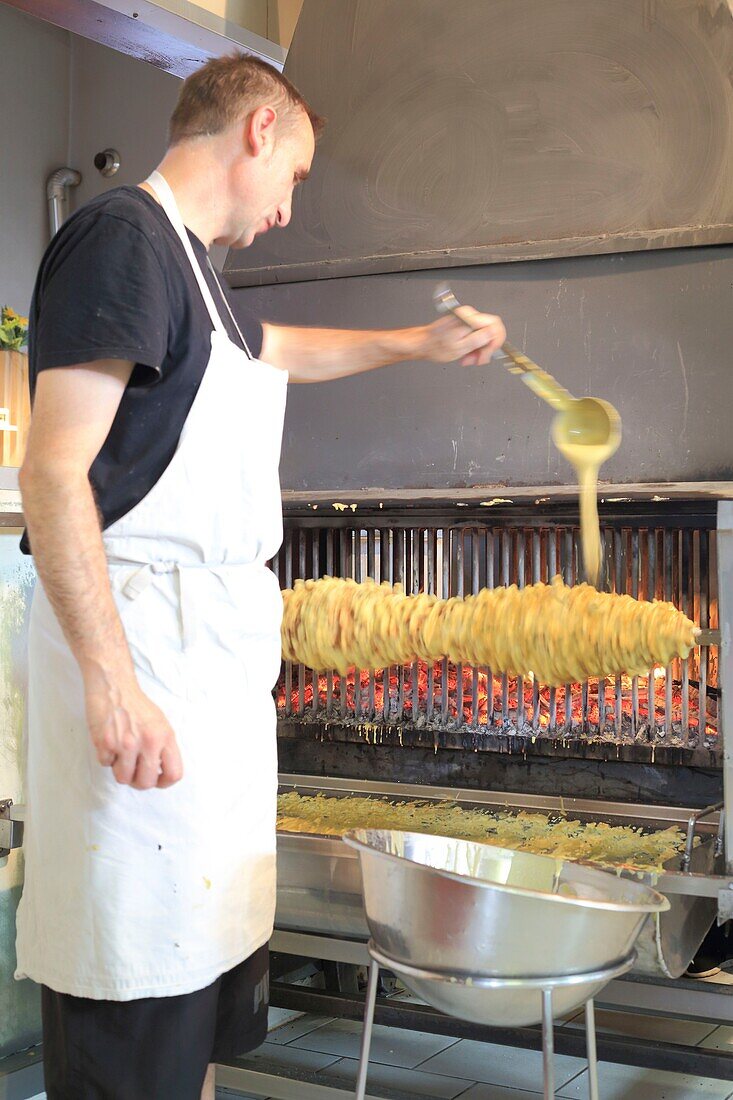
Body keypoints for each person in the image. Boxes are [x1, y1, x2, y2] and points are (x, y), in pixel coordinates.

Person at [16, 53, 507, 1100]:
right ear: (260, 128)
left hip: (204, 692)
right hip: (143, 666)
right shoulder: (122, 243)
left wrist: (418, 342)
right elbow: (53, 473)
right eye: (298, 175)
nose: (290, 208)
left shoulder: (194, 272)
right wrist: (111, 681)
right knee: (133, 993)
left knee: (190, 1002)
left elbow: (283, 350)